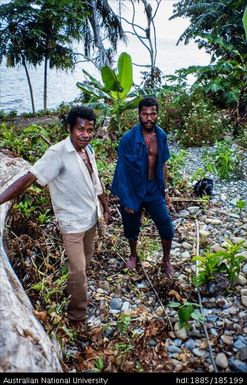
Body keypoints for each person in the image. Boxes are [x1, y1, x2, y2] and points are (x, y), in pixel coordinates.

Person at [0, 106, 109, 328]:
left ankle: (71, 290)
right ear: (69, 128)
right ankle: (76, 316)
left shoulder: (88, 151)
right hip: (72, 225)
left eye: (90, 129)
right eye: (81, 129)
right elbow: (29, 178)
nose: (86, 134)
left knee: (85, 263)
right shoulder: (57, 153)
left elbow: (96, 182)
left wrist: (105, 206)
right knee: (78, 270)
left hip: (91, 219)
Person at [111, 97, 174, 278]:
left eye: (152, 113)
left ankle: (166, 260)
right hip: (132, 189)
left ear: (157, 114)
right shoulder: (128, 139)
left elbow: (162, 164)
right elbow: (121, 171)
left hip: (153, 189)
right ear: (139, 114)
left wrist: (166, 192)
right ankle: (133, 254)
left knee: (166, 226)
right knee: (131, 226)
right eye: (145, 114)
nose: (149, 118)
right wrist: (125, 199)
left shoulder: (161, 136)